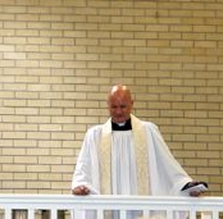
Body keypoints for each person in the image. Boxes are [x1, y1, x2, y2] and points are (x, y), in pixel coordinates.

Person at [71, 84, 206, 219]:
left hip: (143, 211)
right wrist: (80, 185)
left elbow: (167, 164)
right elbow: (83, 167)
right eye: (114, 107)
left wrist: (185, 186)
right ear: (107, 105)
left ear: (131, 104)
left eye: (123, 106)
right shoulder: (95, 136)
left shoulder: (149, 131)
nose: (118, 111)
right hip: (110, 211)